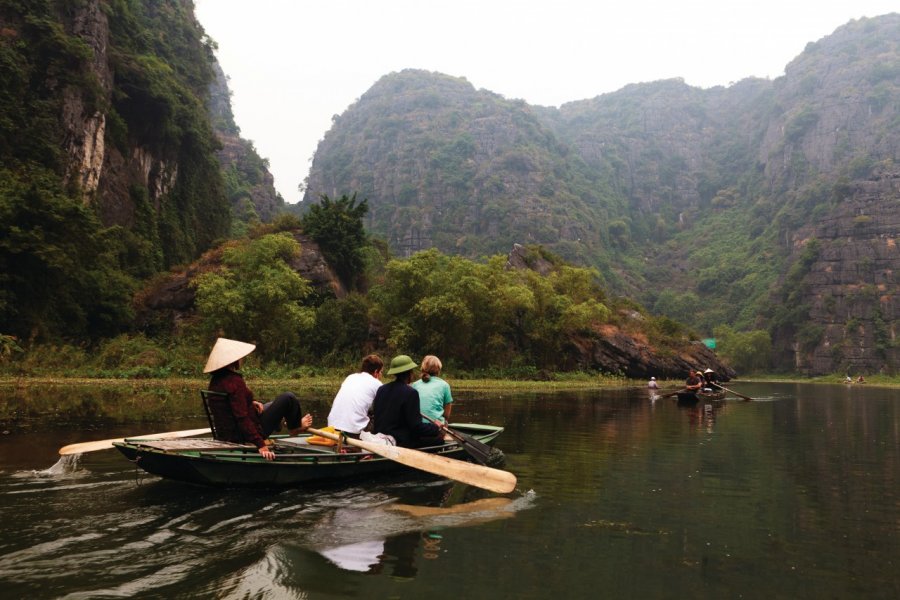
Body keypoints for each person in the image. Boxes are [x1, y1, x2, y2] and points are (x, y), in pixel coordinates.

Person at [204, 337, 312, 460]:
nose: (242, 359)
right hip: (243, 434)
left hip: (227, 432)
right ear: (232, 361)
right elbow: (241, 417)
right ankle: (295, 427)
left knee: (271, 404)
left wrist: (251, 402)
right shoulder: (235, 381)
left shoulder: (216, 380)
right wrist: (260, 443)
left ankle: (282, 423)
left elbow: (231, 404)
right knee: (288, 398)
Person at [371, 355, 442, 448]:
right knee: (439, 440)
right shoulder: (411, 393)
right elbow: (416, 427)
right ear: (410, 373)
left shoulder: (381, 389)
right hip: (400, 441)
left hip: (380, 437)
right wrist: (436, 428)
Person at [327, 354, 384, 436]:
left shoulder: (350, 377)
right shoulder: (377, 384)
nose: (381, 375)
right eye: (381, 372)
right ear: (376, 372)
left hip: (332, 428)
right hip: (354, 432)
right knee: (382, 415)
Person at [413, 355, 453, 424]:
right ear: (438, 370)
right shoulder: (444, 385)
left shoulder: (415, 385)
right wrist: (445, 421)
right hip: (435, 426)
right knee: (445, 422)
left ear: (423, 368)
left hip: (417, 424)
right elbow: (447, 412)